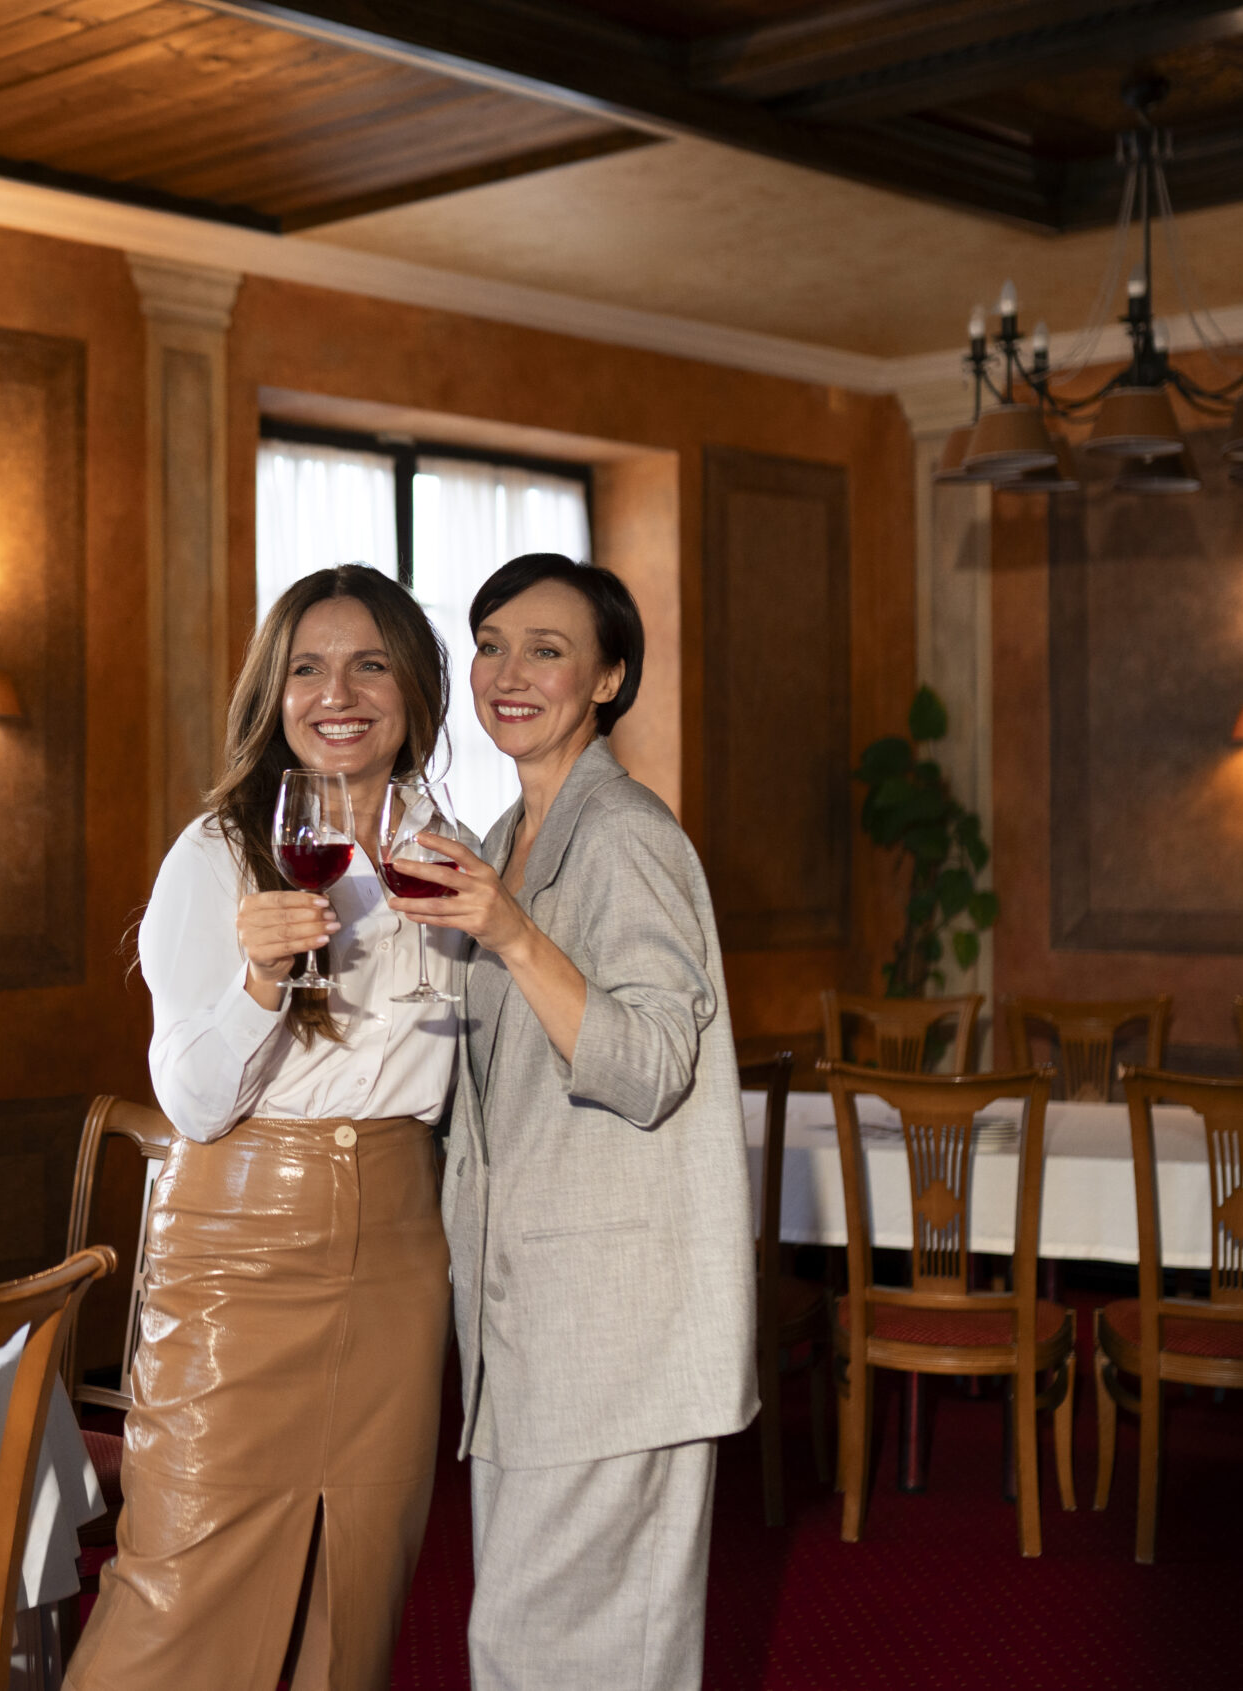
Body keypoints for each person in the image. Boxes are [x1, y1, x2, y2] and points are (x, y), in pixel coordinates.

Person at [68, 565, 464, 1691]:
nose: (337, 691)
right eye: (306, 667)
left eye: (369, 662)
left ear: (413, 686)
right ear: (272, 693)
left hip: (396, 1243)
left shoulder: (453, 848)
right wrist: (258, 979)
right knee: (179, 1586)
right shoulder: (218, 854)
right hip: (238, 1248)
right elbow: (193, 1102)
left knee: (359, 1587)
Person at [391, 554, 752, 1691]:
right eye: (491, 643)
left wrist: (506, 936)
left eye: (545, 650)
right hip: (526, 1312)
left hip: (615, 1324)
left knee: (552, 1647)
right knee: (535, 1644)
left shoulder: (624, 835)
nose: (508, 671)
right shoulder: (503, 837)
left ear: (607, 680)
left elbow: (647, 1065)